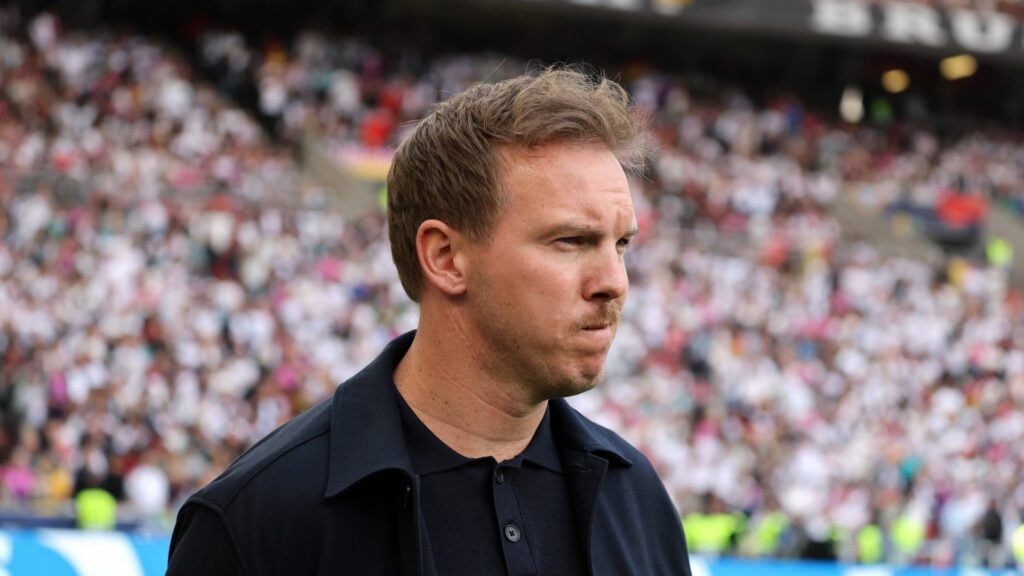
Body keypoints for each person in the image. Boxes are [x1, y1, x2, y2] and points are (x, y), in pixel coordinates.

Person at [166, 67, 693, 576]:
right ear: (445, 258)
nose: (614, 281)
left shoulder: (636, 497)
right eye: (571, 241)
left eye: (621, 244)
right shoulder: (258, 521)